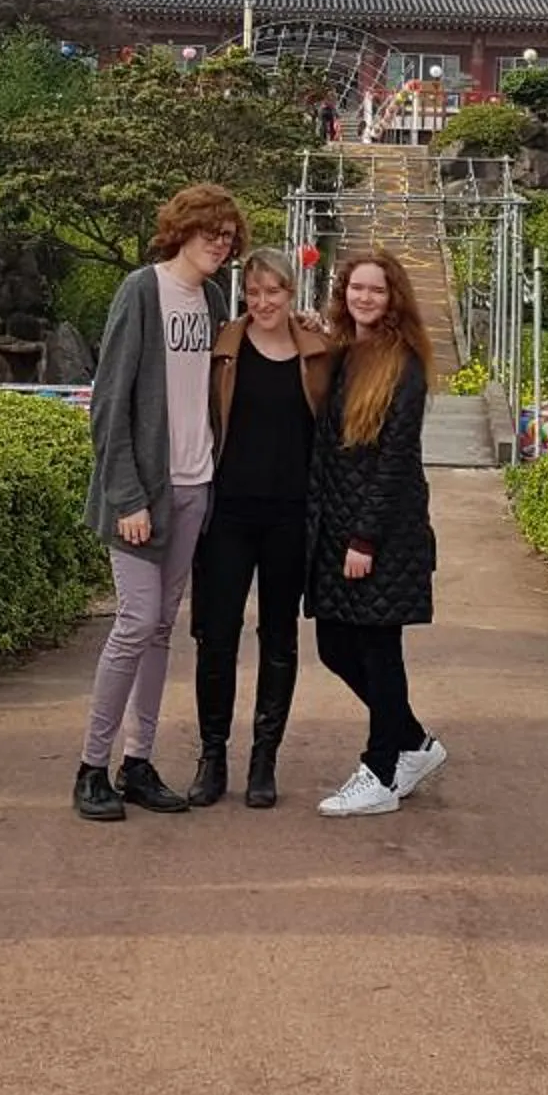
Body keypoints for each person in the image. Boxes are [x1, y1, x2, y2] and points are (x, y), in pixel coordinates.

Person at [75, 183, 242, 823]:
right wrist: (126, 496)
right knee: (136, 622)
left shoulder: (215, 300)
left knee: (163, 629)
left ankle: (137, 762)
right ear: (182, 229)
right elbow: (109, 403)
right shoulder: (142, 291)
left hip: (195, 489)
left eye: (228, 237)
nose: (220, 245)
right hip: (142, 495)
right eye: (211, 232)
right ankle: (92, 765)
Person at [187, 247, 334, 808]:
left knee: (278, 637)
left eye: (274, 291)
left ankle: (264, 757)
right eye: (254, 292)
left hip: (290, 515)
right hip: (229, 512)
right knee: (215, 635)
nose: (263, 302)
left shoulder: (317, 352)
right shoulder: (222, 348)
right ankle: (212, 755)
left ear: (291, 293)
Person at [305, 246, 444, 818]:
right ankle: (413, 740)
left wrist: (365, 539)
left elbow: (395, 463)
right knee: (335, 645)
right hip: (335, 525)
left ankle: (382, 769)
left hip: (380, 533)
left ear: (394, 299)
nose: (365, 297)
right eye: (356, 288)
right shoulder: (343, 352)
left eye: (376, 290)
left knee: (377, 647)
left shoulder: (404, 364)